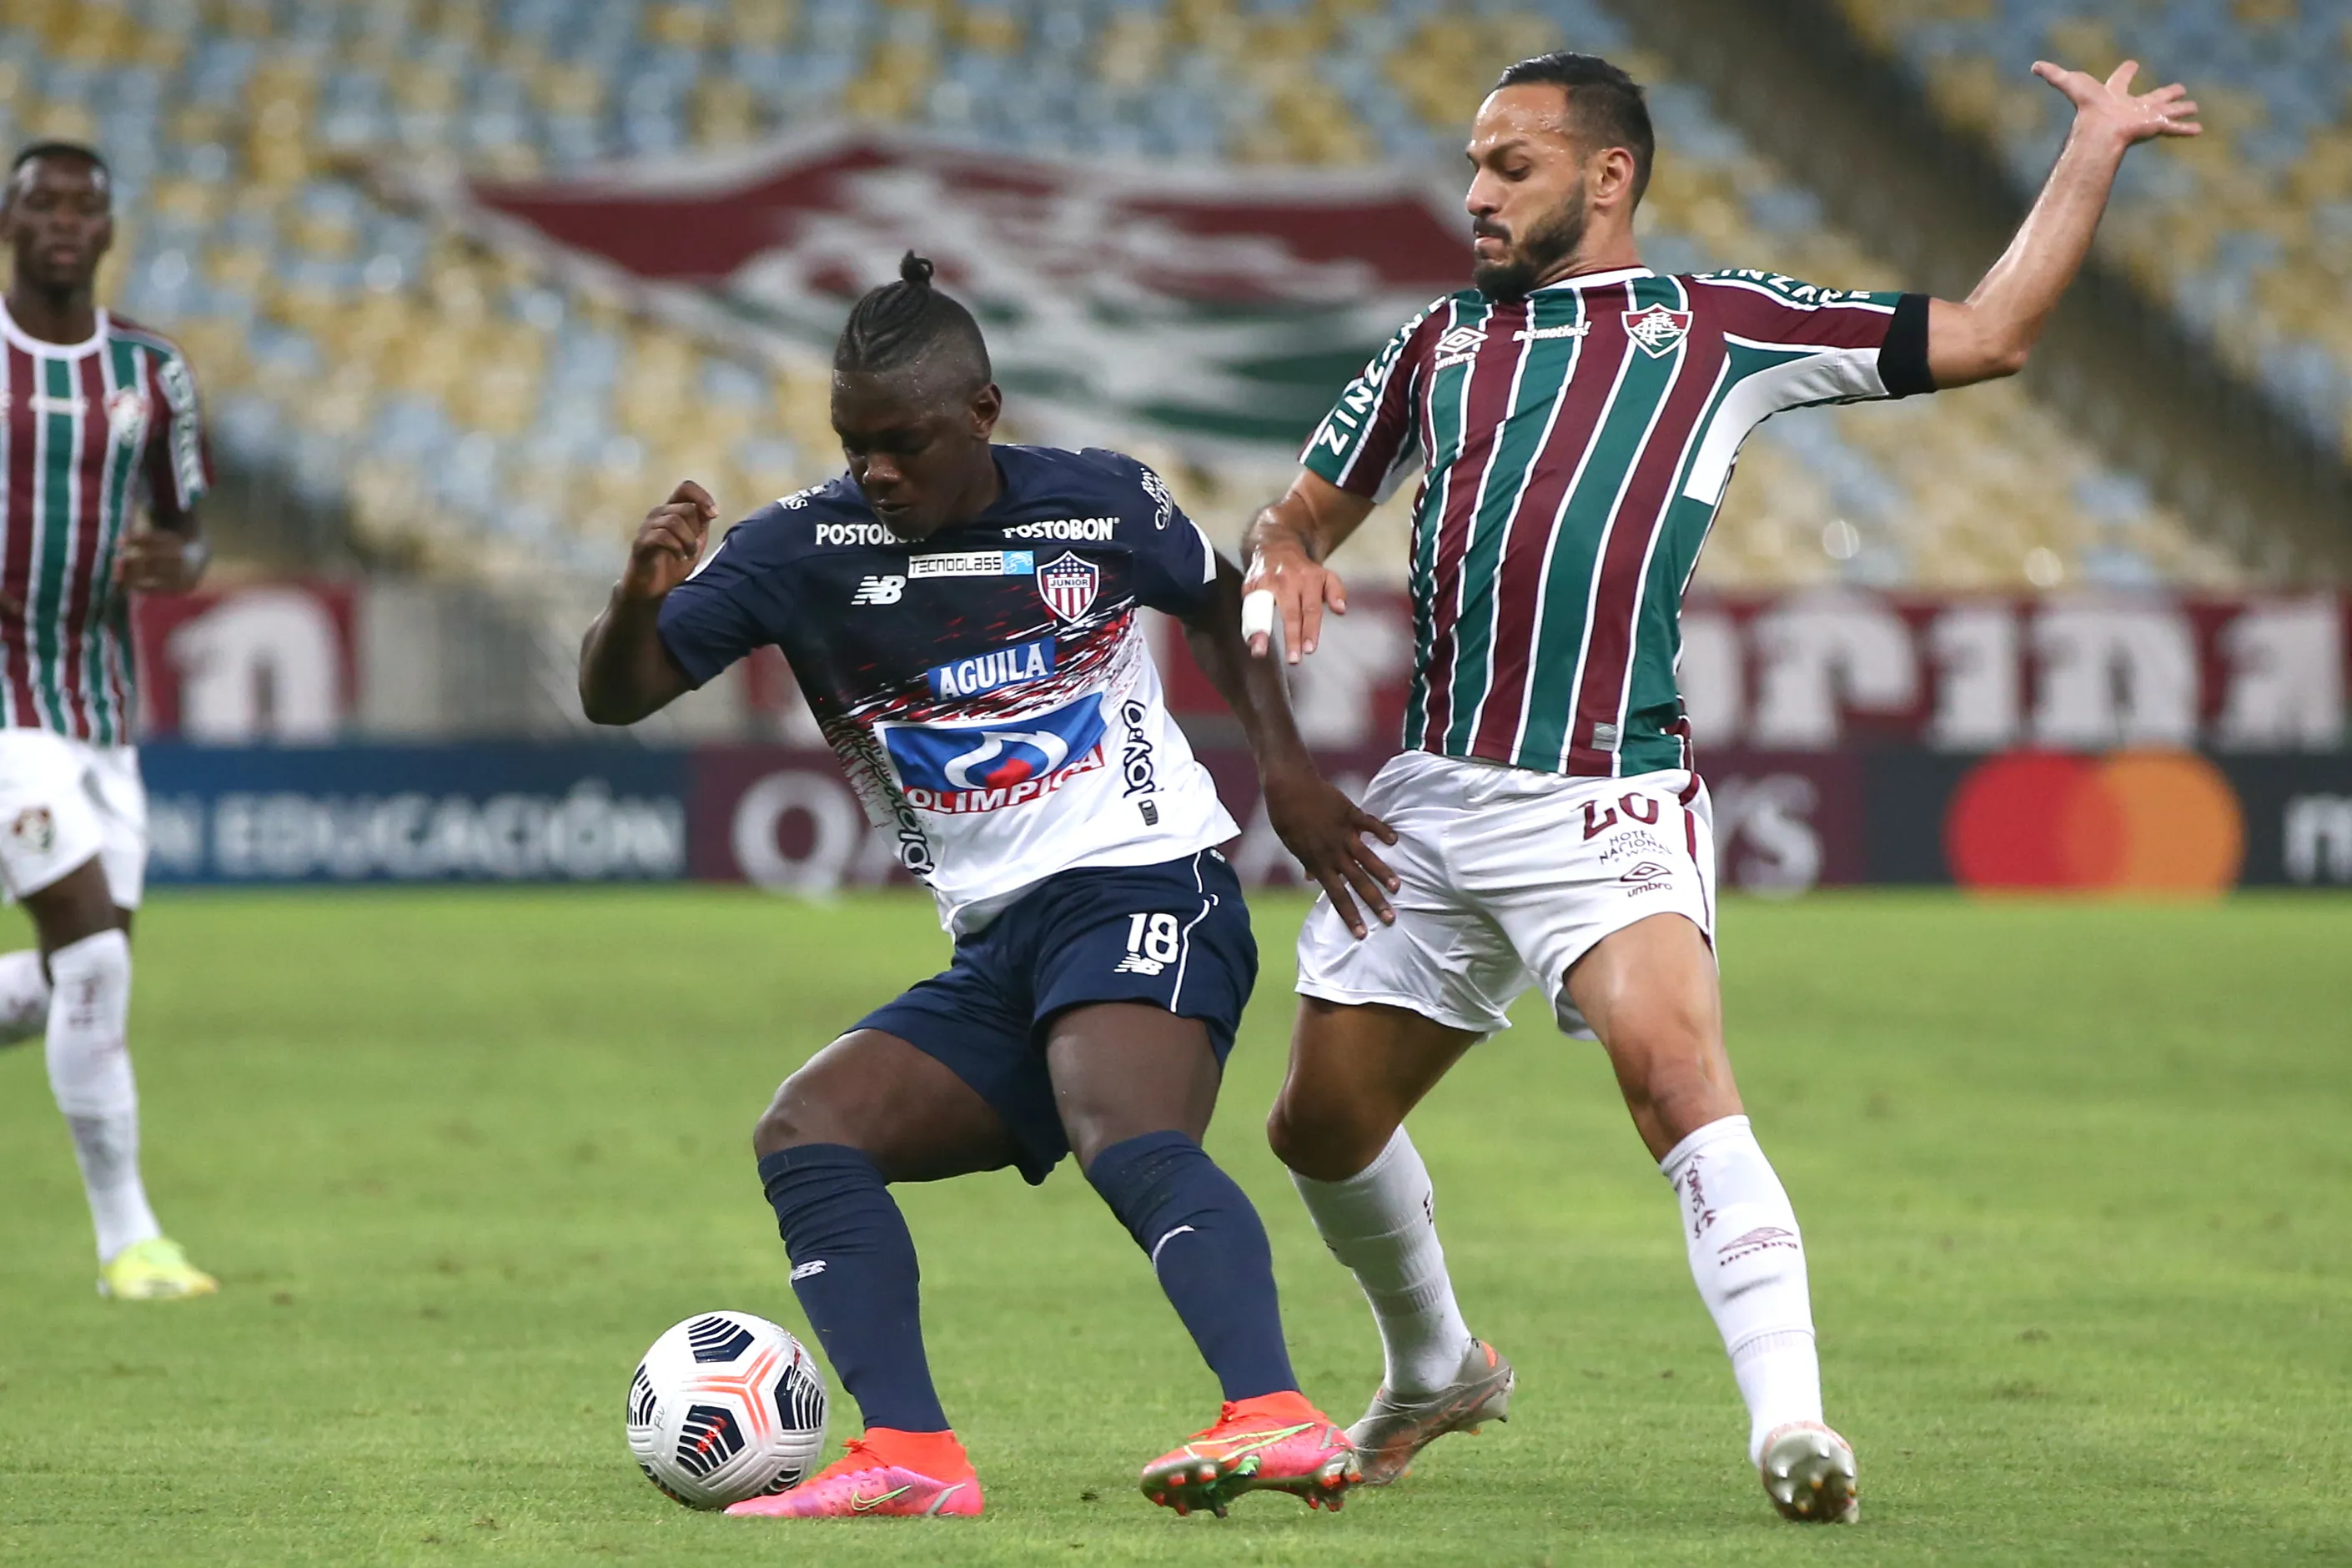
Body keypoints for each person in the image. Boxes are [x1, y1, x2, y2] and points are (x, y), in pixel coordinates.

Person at [1241, 53, 2199, 1524]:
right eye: (1473, 168)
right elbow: (1295, 517)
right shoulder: (1436, 343)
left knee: (1676, 1082)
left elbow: (1996, 333)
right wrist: (1291, 556)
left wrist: (2093, 150)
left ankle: (1793, 1429)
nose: (1477, 194)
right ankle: (1435, 1368)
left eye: (1513, 166)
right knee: (1314, 1129)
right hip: (1429, 806)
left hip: (1603, 796)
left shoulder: (1720, 328)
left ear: (1609, 177)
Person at [579, 254, 1396, 1520]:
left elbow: (1223, 605)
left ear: (981, 412)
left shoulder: (1103, 503)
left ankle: (1277, 1414)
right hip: (1001, 943)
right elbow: (617, 694)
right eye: (855, 445)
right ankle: (911, 1452)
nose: (877, 472)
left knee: (1123, 1131)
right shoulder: (799, 549)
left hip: (1146, 881)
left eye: (901, 444)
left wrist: (1284, 775)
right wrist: (639, 603)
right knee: (809, 1136)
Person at [0, 142, 217, 1300]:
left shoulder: (150, 372)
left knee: (82, 976)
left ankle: (130, 1238)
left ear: (109, 227)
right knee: (87, 947)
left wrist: (175, 559)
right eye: (44, 201)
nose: (66, 219)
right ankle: (129, 1240)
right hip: (0, 715)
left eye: (86, 203)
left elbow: (190, 526)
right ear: (9, 220)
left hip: (96, 708)